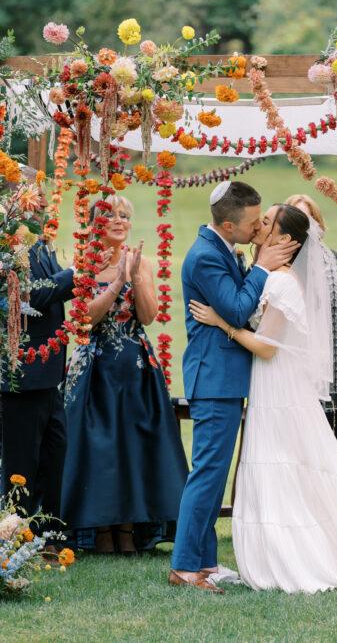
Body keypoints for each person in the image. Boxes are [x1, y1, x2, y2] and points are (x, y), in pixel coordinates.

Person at [188, 204, 337, 594]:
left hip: (279, 387)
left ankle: (301, 552)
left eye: (267, 222)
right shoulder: (272, 277)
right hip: (272, 386)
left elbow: (266, 348)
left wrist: (223, 323)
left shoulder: (283, 284)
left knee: (288, 466)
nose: (260, 225)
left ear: (285, 240)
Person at [169, 181, 298, 593]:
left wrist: (253, 265)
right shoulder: (206, 256)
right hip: (214, 377)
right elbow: (239, 309)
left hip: (224, 376)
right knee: (207, 474)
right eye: (253, 221)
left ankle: (205, 562)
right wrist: (260, 268)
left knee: (214, 472)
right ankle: (185, 567)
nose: (260, 226)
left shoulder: (222, 248)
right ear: (228, 224)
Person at [62, 195, 188, 554]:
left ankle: (130, 530)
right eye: (110, 216)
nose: (119, 221)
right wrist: (116, 282)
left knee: (133, 441)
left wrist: (134, 275)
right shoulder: (83, 264)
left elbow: (148, 316)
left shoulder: (141, 262)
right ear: (94, 224)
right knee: (97, 445)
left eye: (124, 215)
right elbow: (85, 318)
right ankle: (100, 530)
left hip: (134, 365)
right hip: (94, 366)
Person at [0, 166, 74, 557]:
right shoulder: (7, 244)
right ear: (16, 199)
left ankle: (46, 537)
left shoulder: (42, 244)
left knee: (53, 454)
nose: (43, 201)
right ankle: (11, 540)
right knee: (19, 465)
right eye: (34, 194)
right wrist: (72, 275)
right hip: (21, 377)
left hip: (49, 375)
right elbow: (31, 294)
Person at [285, 194, 337, 448]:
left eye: (308, 218)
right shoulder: (276, 264)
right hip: (289, 368)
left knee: (333, 444)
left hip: (332, 371)